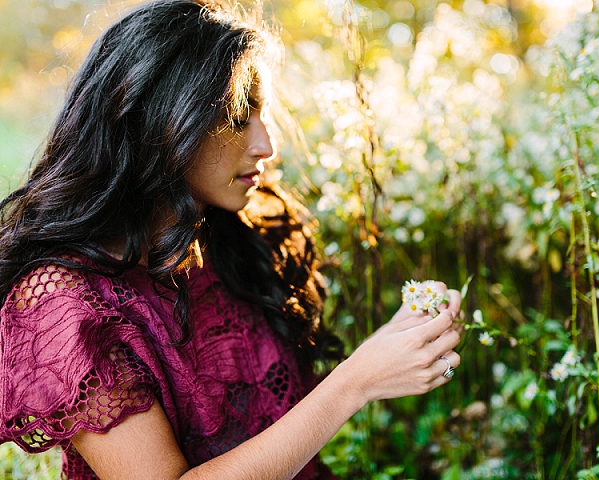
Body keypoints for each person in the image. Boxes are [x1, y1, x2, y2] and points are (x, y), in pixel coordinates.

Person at [0, 0, 462, 478]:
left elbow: (283, 434)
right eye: (240, 115)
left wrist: (396, 346)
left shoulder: (229, 241)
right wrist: (356, 381)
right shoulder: (61, 304)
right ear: (163, 118)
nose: (267, 145)